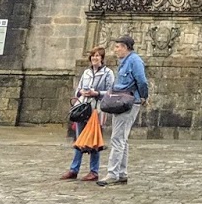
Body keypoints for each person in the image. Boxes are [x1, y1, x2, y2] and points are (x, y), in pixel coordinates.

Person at [96, 35, 149, 188]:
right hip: (120, 101)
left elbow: (142, 81)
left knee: (117, 138)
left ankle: (112, 174)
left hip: (129, 102)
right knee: (122, 139)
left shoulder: (134, 61)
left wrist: (143, 96)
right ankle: (121, 173)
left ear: (125, 47)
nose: (115, 50)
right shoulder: (124, 61)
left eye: (118, 47)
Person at [61, 46, 114, 181]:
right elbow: (78, 89)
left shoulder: (108, 73)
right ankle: (74, 169)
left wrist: (96, 93)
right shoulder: (86, 72)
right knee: (79, 139)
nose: (95, 58)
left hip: (97, 110)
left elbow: (110, 92)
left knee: (94, 139)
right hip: (83, 108)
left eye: (97, 56)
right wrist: (81, 92)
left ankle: (94, 171)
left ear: (102, 58)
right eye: (93, 56)